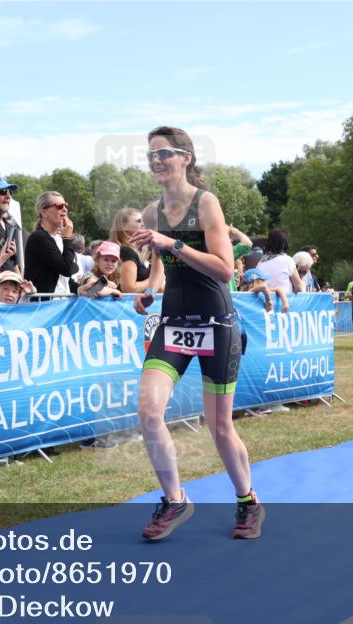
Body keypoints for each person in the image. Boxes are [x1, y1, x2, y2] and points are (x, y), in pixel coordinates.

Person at [130, 126, 263, 541]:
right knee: (149, 411)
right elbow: (158, 268)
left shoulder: (206, 204)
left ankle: (248, 502)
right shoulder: (152, 212)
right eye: (150, 155)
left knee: (218, 426)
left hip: (215, 324)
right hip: (173, 323)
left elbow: (224, 269)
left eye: (164, 153)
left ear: (186, 157)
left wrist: (173, 245)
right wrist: (150, 290)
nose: (156, 161)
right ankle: (174, 499)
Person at [24, 191, 77, 296]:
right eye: (59, 206)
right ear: (44, 212)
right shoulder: (39, 237)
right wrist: (67, 238)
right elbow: (67, 268)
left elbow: (64, 278)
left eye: (66, 205)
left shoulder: (58, 239)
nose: (64, 209)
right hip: (44, 305)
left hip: (61, 302)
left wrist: (82, 287)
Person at [109, 208, 154, 293]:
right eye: (139, 221)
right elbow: (129, 288)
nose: (143, 224)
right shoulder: (127, 251)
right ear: (124, 226)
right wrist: (153, 281)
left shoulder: (130, 250)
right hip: (128, 304)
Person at [256, 229, 305, 293]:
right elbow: (299, 288)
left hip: (263, 301)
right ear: (285, 243)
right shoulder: (288, 261)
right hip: (283, 300)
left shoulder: (261, 262)